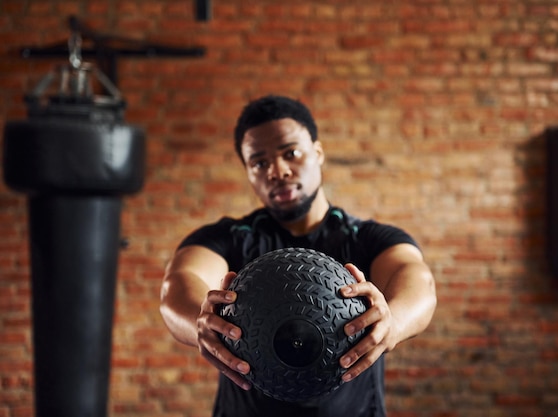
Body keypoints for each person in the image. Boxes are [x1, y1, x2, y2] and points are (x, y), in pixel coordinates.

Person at [160, 95, 437, 417]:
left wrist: (394, 323)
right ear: (248, 172)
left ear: (317, 153)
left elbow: (417, 280)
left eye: (291, 153)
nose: (278, 171)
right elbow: (179, 284)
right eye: (259, 163)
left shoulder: (370, 239)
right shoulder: (226, 239)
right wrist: (200, 320)